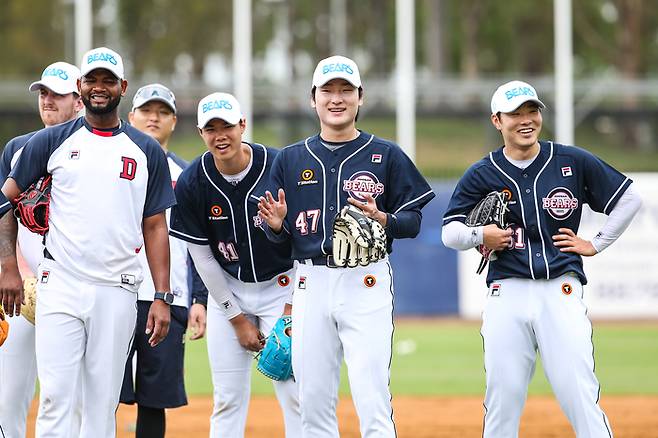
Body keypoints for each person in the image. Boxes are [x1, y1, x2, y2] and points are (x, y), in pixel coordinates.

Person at [441, 80, 642, 438]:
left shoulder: (570, 160)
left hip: (560, 290)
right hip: (506, 292)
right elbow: (449, 232)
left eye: (531, 110)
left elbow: (629, 200)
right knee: (503, 398)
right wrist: (480, 235)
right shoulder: (482, 172)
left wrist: (596, 243)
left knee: (579, 392)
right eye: (514, 113)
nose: (525, 120)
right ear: (496, 121)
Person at [0, 46, 175, 438]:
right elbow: (5, 198)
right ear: (81, 86)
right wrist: (8, 266)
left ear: (122, 87)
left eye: (108, 80)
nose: (99, 87)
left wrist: (162, 295)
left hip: (117, 290)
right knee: (55, 401)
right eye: (92, 80)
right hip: (60, 285)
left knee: (100, 405)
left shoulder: (146, 150)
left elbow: (155, 227)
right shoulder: (50, 142)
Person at [257, 55, 435, 437]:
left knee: (372, 397)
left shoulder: (386, 154)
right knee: (313, 399)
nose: (336, 99)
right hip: (310, 282)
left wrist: (384, 219)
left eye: (345, 90)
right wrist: (275, 228)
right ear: (313, 99)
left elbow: (415, 221)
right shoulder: (290, 158)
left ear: (360, 97)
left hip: (365, 280)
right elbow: (279, 239)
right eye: (328, 90)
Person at [169, 92, 302, 438]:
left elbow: (305, 242)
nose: (220, 135)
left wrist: (290, 309)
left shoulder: (278, 166)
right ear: (201, 133)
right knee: (227, 399)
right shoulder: (193, 181)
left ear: (242, 125)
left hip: (282, 286)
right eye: (210, 128)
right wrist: (236, 319)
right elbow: (201, 258)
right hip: (227, 290)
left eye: (226, 125)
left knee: (295, 392)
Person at [119, 83, 209, 438]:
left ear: (174, 121)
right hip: (116, 290)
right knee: (102, 389)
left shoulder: (187, 177)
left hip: (169, 297)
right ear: (131, 116)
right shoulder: (112, 162)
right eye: (147, 110)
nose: (154, 117)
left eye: (163, 112)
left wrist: (200, 299)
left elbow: (199, 243)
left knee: (155, 399)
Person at [0, 61, 84, 438]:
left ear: (79, 101)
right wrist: (8, 268)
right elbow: (5, 212)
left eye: (58, 94)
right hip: (22, 286)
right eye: (43, 93)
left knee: (72, 397)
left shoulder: (96, 150)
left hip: (78, 290)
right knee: (8, 393)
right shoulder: (17, 149)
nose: (47, 100)